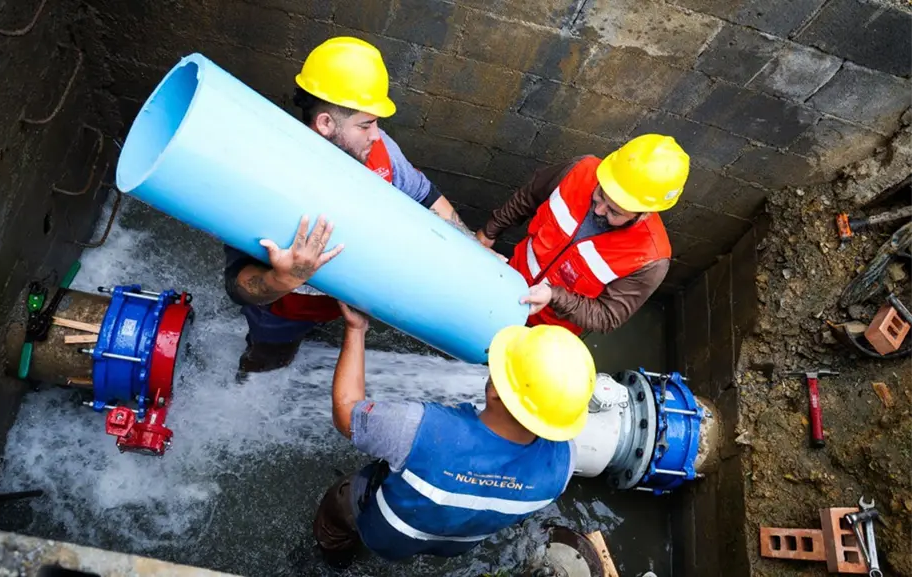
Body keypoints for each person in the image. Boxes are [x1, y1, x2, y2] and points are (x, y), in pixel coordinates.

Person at [223, 36, 477, 377]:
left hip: (344, 302)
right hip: (285, 310)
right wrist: (283, 278)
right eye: (365, 124)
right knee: (270, 358)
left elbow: (426, 196)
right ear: (326, 123)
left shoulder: (378, 151)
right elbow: (238, 285)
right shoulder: (270, 183)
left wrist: (475, 250)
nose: (377, 134)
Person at [311, 302, 596, 566]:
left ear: (496, 393)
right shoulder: (564, 463)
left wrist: (356, 328)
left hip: (385, 532)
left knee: (340, 502)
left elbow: (346, 411)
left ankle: (332, 558)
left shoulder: (420, 429)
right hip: (453, 544)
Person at [476, 134, 690, 335]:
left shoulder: (649, 259)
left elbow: (607, 317)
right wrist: (489, 232)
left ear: (644, 213)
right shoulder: (580, 170)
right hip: (508, 279)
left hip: (544, 330)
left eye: (614, 212)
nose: (599, 210)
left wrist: (554, 296)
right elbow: (529, 196)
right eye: (601, 194)